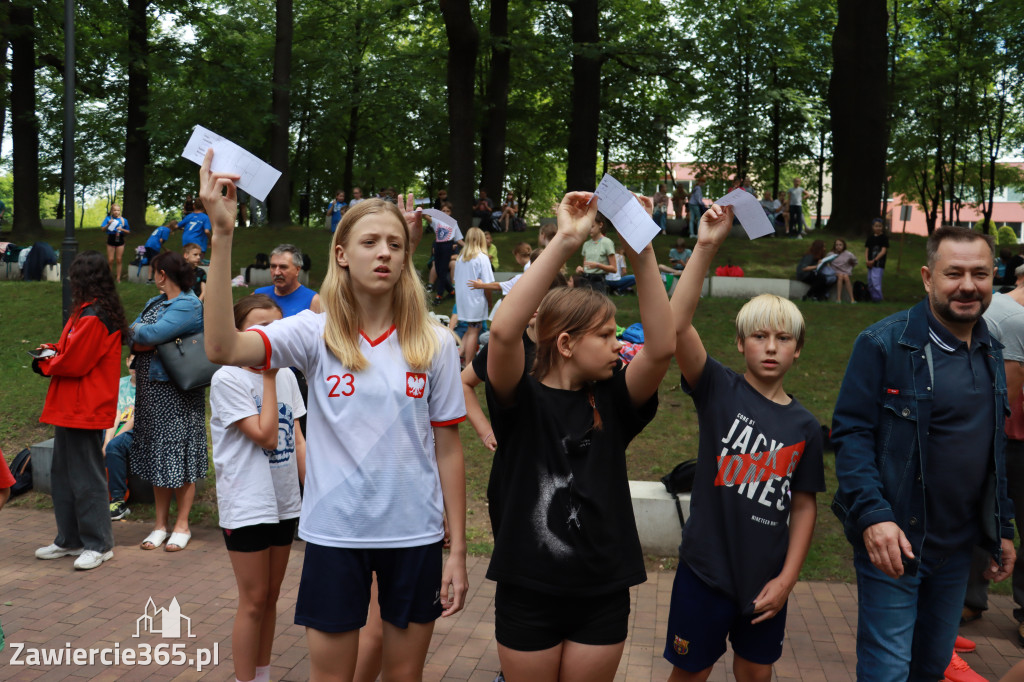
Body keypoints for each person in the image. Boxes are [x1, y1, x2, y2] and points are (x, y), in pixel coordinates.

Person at [199, 150, 468, 682]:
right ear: (342, 254)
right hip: (334, 534)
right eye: (369, 242)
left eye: (394, 243)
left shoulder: (435, 342)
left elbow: (448, 448)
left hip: (414, 535)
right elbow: (222, 347)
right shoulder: (314, 333)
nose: (384, 253)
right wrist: (222, 235)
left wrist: (457, 549)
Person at [485, 191, 672, 681]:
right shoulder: (519, 401)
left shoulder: (613, 398)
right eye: (607, 336)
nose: (618, 345)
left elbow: (661, 347)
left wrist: (641, 247)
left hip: (602, 591)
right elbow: (504, 333)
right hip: (528, 589)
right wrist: (566, 238)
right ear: (565, 343)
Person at [831, 226, 1016, 681]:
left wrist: (1001, 528)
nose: (968, 286)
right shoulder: (884, 344)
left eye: (980, 273)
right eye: (954, 273)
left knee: (930, 669)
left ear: (994, 277)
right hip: (897, 542)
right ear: (927, 277)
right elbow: (851, 434)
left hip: (956, 552)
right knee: (887, 672)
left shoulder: (993, 347)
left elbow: (995, 449)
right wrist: (874, 516)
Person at [662, 204, 824, 682]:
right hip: (704, 573)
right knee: (691, 672)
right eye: (759, 336)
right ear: (739, 343)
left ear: (797, 349)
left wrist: (787, 580)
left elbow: (804, 506)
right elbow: (675, 326)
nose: (771, 346)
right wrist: (707, 245)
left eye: (782, 338)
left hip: (766, 581)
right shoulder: (718, 388)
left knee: (755, 672)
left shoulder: (806, 426)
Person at [210, 294, 307, 682]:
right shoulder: (228, 377)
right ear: (239, 333)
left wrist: (316, 490)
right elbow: (267, 436)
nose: (269, 336)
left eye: (275, 328)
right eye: (259, 329)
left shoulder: (286, 374)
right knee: (252, 601)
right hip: (247, 503)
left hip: (284, 501)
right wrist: (268, 374)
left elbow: (297, 440)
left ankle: (262, 675)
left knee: (271, 598)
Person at [32, 251, 128, 570]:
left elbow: (75, 362)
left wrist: (46, 363)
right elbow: (70, 351)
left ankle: (98, 543)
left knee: (86, 476)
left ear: (85, 279)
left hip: (85, 406)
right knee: (64, 474)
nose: (71, 281)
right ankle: (70, 538)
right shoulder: (87, 312)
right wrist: (53, 350)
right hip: (72, 406)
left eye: (75, 276)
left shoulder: (95, 316)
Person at [962, 262, 1024, 645]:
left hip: (998, 436)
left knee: (984, 517)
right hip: (1005, 436)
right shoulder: (1011, 316)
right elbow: (1011, 384)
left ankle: (971, 601)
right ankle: (968, 599)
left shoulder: (1000, 310)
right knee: (981, 515)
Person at [129, 251, 207, 553]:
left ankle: (182, 525)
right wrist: (142, 337)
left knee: (179, 455)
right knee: (158, 456)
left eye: (154, 271)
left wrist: (143, 337)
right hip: (151, 389)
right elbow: (134, 333)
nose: (153, 275)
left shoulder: (187, 304)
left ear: (162, 273)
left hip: (176, 391)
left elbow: (151, 333)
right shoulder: (156, 302)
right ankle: (160, 525)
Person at [102, 353, 136, 521]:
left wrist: (112, 441)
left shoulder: (149, 386)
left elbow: (135, 418)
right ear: (127, 361)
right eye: (132, 361)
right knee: (93, 441)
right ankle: (94, 496)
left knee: (114, 446)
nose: (135, 365)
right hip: (115, 427)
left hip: (135, 430)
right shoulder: (120, 384)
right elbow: (115, 413)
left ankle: (118, 500)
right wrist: (108, 438)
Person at [454, 227, 494, 365]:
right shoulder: (482, 258)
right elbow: (488, 284)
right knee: (473, 332)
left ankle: (459, 357)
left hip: (463, 300)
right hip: (475, 299)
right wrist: (490, 301)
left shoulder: (460, 258)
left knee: (469, 329)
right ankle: (469, 364)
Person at [255, 244, 322, 315]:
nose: (276, 273)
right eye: (273, 266)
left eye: (283, 267)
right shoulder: (258, 295)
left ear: (297, 270)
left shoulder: (314, 301)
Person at [574, 213, 616, 293]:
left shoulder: (607, 242)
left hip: (598, 282)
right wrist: (581, 269)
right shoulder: (586, 244)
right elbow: (586, 267)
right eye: (588, 227)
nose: (589, 229)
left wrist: (598, 265)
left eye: (592, 226)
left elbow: (614, 269)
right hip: (585, 281)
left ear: (600, 225)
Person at [431, 206, 464, 306]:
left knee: (443, 271)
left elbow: (459, 240)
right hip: (437, 245)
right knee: (438, 271)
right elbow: (426, 217)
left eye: (447, 211)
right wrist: (423, 210)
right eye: (443, 210)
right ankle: (451, 291)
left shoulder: (453, 223)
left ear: (450, 212)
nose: (445, 212)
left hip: (447, 246)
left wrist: (471, 247)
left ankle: (439, 296)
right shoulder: (436, 220)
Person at [102, 203, 131, 282]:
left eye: (118, 210)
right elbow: (103, 229)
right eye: (114, 210)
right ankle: (109, 277)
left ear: (120, 211)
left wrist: (122, 229)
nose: (116, 212)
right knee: (110, 260)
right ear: (111, 211)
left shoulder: (123, 220)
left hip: (120, 240)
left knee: (119, 259)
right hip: (111, 240)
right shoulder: (108, 218)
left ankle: (118, 278)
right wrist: (108, 224)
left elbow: (128, 231)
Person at [865, 218, 890, 302]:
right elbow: (867, 250)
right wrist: (867, 260)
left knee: (876, 281)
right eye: (876, 226)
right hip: (870, 264)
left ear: (882, 227)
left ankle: (878, 298)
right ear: (873, 227)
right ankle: (872, 297)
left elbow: (883, 251)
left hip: (878, 264)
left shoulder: (884, 238)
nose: (878, 228)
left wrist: (874, 260)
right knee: (870, 281)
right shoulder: (870, 238)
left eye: (879, 226)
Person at [830, 238, 859, 303]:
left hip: (845, 272)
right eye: (837, 245)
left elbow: (855, 262)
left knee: (846, 277)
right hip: (835, 271)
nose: (838, 246)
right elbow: (826, 262)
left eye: (840, 245)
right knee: (840, 276)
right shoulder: (831, 254)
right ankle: (838, 298)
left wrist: (850, 267)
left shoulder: (848, 254)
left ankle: (852, 299)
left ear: (844, 246)